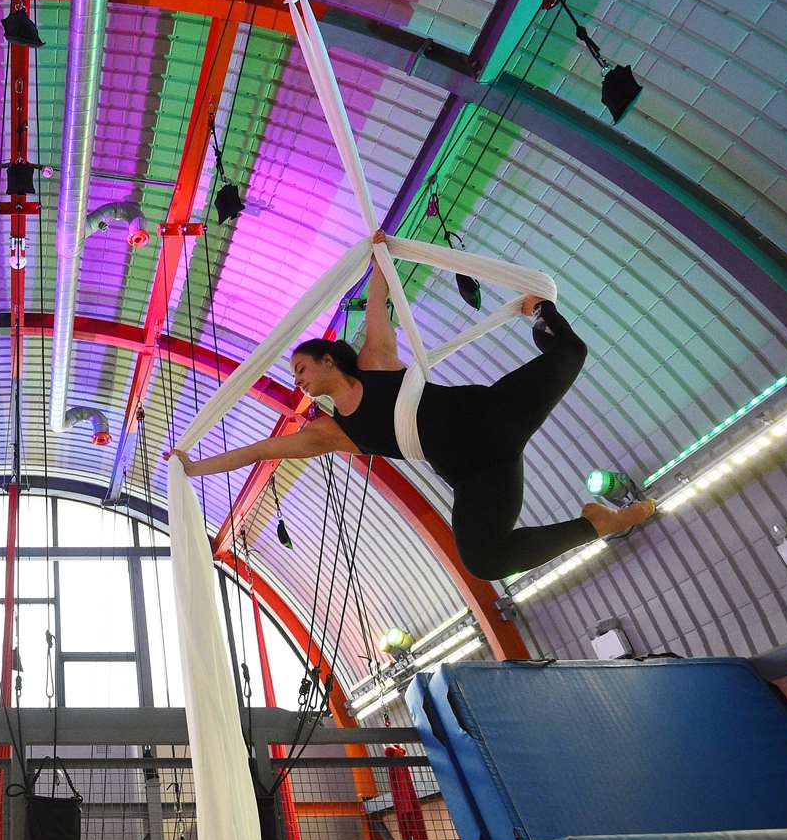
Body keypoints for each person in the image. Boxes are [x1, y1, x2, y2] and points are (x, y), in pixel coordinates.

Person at [170, 231, 653, 580]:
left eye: (300, 368)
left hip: (494, 416)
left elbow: (379, 301)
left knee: (572, 353)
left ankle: (539, 312)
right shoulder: (332, 432)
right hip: (479, 475)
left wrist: (378, 252)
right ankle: (593, 524)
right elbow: (259, 452)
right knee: (484, 562)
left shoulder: (375, 360)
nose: (296, 379)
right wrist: (195, 470)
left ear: (326, 358)